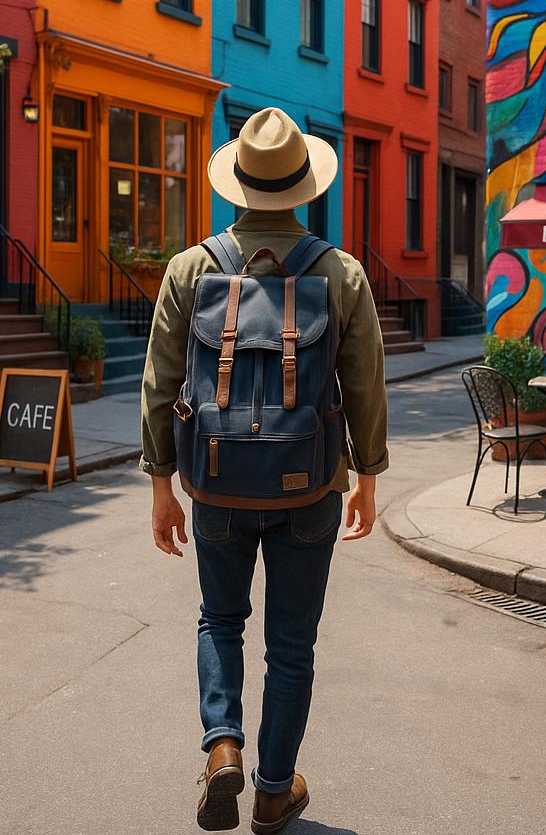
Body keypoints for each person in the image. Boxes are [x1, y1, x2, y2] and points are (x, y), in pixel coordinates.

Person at [141, 107, 388, 833]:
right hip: (309, 485)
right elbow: (366, 382)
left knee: (220, 618)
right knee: (292, 642)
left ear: (237, 188)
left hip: (213, 480)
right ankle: (274, 791)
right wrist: (367, 475)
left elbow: (159, 385)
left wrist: (162, 487)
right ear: (303, 189)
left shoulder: (190, 269)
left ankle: (222, 748)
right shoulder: (340, 274)